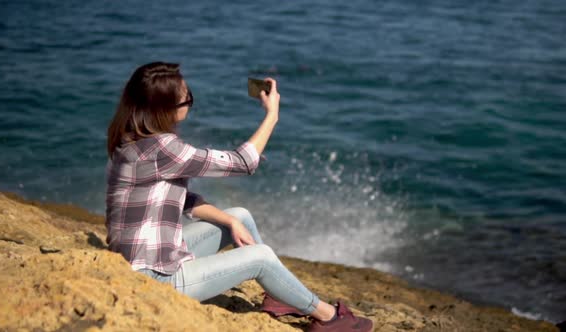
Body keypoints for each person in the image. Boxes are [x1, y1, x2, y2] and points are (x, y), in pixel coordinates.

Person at [105, 61, 373, 332]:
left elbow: (177, 199)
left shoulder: (131, 139)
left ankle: (280, 294)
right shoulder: (165, 150)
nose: (189, 103)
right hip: (153, 278)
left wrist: (230, 222)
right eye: (187, 99)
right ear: (165, 110)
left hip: (142, 261)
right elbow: (243, 162)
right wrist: (272, 116)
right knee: (261, 257)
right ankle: (329, 319)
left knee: (238, 216)